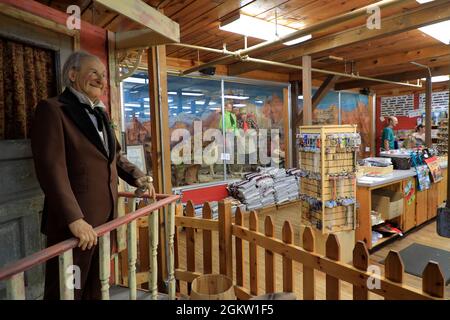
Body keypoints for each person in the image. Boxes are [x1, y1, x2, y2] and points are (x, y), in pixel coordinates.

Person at [31, 51, 155, 300]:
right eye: (93, 72)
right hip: (74, 228)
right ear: (73, 74)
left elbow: (115, 156)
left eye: (103, 74)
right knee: (67, 290)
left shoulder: (102, 113)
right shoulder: (52, 109)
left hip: (104, 222)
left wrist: (139, 177)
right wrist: (74, 218)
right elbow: (51, 168)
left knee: (95, 288)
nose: (100, 79)